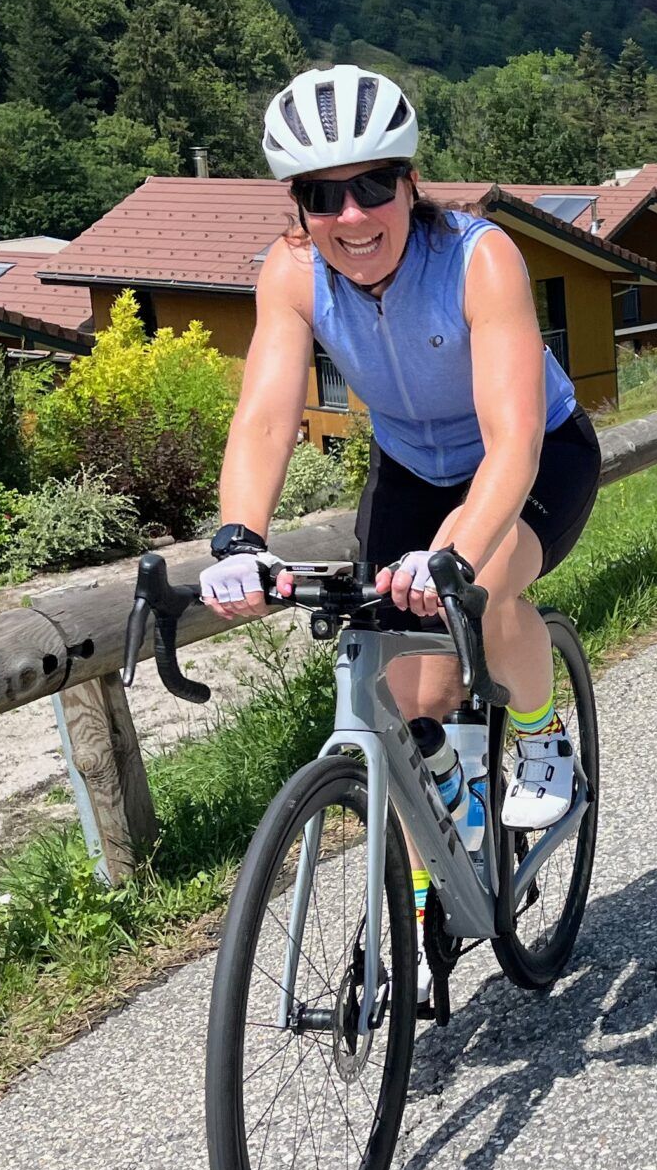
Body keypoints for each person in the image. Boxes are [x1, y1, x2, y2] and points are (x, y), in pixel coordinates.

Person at [200, 64, 599, 867]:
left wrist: (456, 551)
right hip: (412, 465)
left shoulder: (479, 260)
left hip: (534, 454)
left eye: (374, 185)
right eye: (322, 195)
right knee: (409, 692)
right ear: (298, 208)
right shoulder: (291, 272)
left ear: (411, 185)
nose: (351, 215)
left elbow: (512, 438)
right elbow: (268, 417)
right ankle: (440, 824)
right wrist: (239, 537)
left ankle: (539, 733)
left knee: (482, 582)